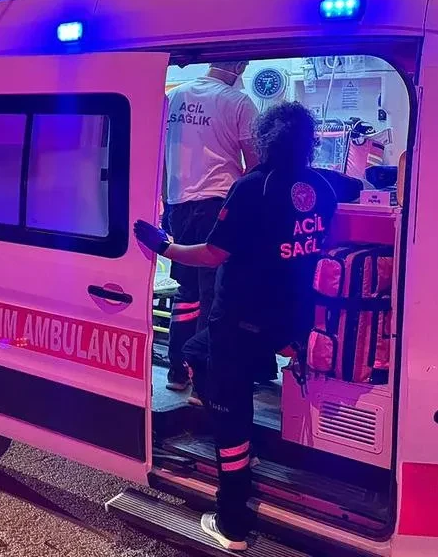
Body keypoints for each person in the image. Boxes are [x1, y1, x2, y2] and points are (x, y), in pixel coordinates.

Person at [135, 102, 337, 551]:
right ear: (309, 142)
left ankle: (231, 523)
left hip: (239, 319)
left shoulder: (251, 187)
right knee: (196, 354)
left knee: (230, 413)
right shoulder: (322, 188)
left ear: (264, 140)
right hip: (287, 321)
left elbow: (213, 254)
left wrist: (165, 247)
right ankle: (239, 429)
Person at [162, 62, 259, 391]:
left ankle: (178, 371)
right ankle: (204, 378)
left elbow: (163, 154)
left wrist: (166, 199)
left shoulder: (175, 96)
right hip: (218, 204)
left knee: (186, 291)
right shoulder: (238, 102)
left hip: (178, 202)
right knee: (212, 294)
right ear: (238, 65)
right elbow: (255, 166)